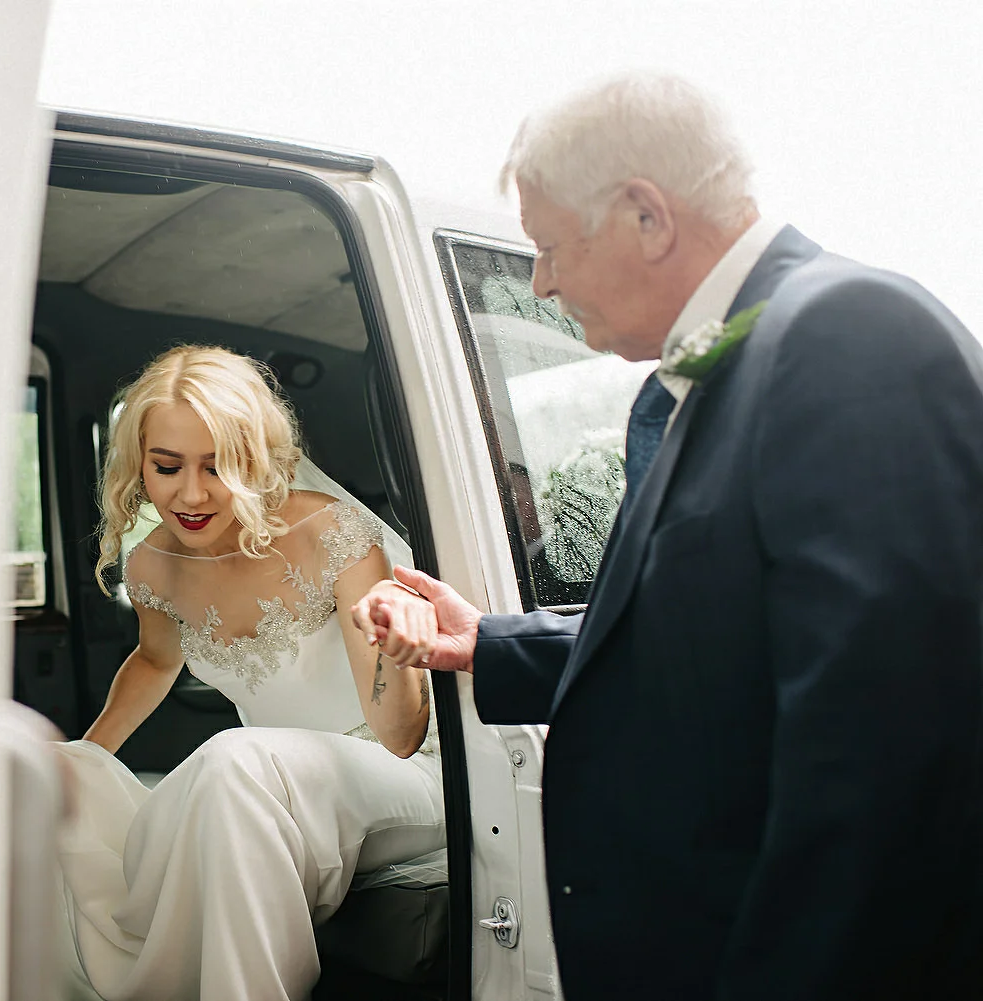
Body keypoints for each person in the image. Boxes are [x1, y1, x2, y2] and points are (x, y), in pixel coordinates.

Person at [355, 73, 983, 1000]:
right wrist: (485, 641)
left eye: (551, 246)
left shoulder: (853, 335)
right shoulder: (746, 359)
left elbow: (889, 757)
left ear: (647, 216)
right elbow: (727, 634)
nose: (543, 282)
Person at [55, 345, 444, 1001]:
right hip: (262, 783)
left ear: (257, 457)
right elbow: (155, 659)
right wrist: (87, 755)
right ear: (138, 463)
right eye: (167, 466)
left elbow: (402, 735)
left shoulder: (335, 532)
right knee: (53, 774)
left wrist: (403, 653)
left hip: (398, 773)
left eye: (220, 464)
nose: (193, 492)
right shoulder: (152, 565)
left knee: (230, 762)